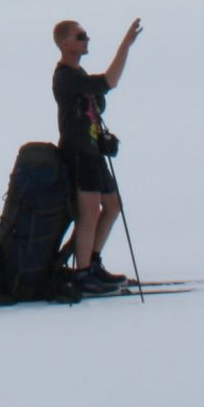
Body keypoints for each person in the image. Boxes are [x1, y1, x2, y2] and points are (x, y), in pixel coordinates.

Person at [54, 19, 140, 292]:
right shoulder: (66, 76)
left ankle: (92, 263)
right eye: (80, 36)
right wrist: (125, 45)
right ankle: (82, 274)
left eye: (86, 36)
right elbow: (109, 81)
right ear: (65, 43)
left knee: (112, 206)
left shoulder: (77, 74)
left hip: (92, 152)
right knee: (89, 211)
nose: (86, 40)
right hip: (79, 152)